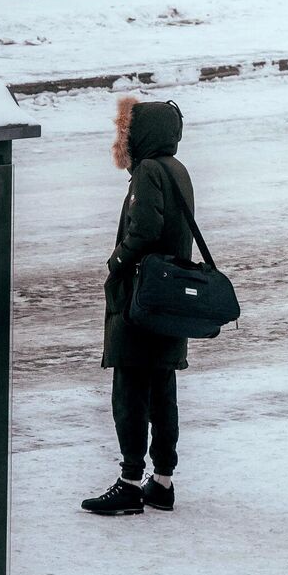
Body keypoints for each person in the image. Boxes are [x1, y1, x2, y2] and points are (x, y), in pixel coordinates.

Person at [82, 96, 194, 516]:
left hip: (142, 299)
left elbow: (145, 228)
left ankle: (130, 482)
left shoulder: (147, 171)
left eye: (125, 133)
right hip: (167, 300)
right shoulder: (176, 170)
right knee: (162, 389)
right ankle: (162, 481)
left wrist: (117, 261)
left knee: (129, 389)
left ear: (139, 136)